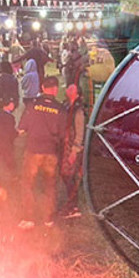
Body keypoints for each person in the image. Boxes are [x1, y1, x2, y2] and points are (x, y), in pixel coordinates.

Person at [17, 76, 66, 229]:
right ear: (56, 89)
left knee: (27, 184)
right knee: (50, 185)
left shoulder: (32, 105)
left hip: (33, 150)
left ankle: (28, 218)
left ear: (43, 88)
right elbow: (64, 134)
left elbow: (21, 129)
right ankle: (48, 219)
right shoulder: (60, 109)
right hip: (51, 152)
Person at [60, 84, 85, 218]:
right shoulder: (65, 105)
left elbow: (80, 132)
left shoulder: (78, 111)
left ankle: (73, 207)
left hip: (72, 148)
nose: (68, 89)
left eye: (72, 88)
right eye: (68, 87)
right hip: (64, 147)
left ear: (77, 94)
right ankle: (72, 204)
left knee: (69, 176)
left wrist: (75, 151)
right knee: (65, 175)